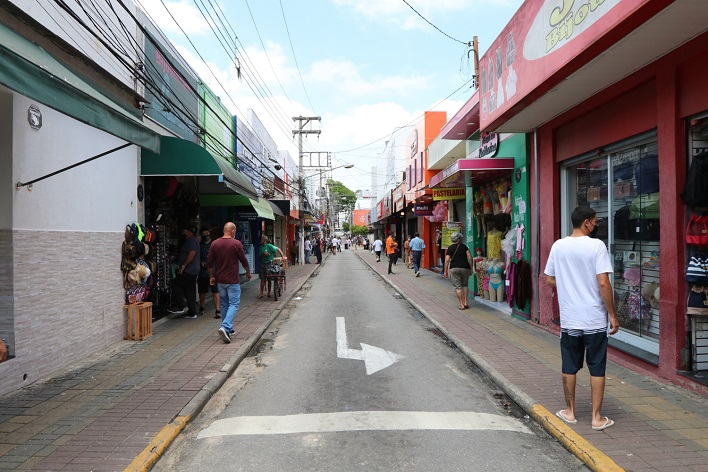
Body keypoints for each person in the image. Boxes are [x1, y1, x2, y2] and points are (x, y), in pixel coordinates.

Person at [544, 206, 619, 431]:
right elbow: (604, 283)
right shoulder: (597, 246)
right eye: (595, 222)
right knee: (597, 367)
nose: (597, 226)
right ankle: (596, 418)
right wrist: (613, 315)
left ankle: (570, 412)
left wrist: (568, 284)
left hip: (570, 319)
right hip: (594, 320)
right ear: (587, 222)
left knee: (569, 365)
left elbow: (549, 279)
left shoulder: (558, 246)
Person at [208, 222, 251, 344]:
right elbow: (243, 260)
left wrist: (211, 277)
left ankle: (228, 329)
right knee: (234, 304)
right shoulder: (236, 243)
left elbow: (210, 263)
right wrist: (248, 272)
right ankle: (225, 326)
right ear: (232, 231)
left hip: (220, 280)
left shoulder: (214, 243)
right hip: (232, 280)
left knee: (224, 304)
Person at [168, 225, 200, 318]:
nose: (183, 233)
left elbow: (192, 253)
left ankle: (178, 306)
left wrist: (183, 266)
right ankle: (192, 311)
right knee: (190, 290)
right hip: (193, 270)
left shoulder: (191, 240)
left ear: (188, 231)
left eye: (184, 231)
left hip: (188, 270)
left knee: (176, 283)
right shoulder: (192, 240)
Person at [444, 232, 474, 310]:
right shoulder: (464, 247)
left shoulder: (450, 248)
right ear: (459, 239)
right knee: (465, 285)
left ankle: (461, 304)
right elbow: (470, 258)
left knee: (458, 287)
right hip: (465, 268)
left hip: (454, 268)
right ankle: (466, 302)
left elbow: (447, 260)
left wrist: (445, 270)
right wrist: (471, 268)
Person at [198, 227, 221, 318]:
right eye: (204, 234)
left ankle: (217, 310)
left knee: (215, 290)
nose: (206, 235)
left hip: (213, 271)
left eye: (207, 233)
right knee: (202, 291)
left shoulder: (214, 244)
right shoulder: (200, 245)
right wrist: (201, 262)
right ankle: (201, 307)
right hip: (202, 271)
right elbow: (197, 257)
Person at [258, 235, 286, 299]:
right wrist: (263, 254)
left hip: (269, 263)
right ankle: (261, 293)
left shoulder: (269, 246)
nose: (261, 240)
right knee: (262, 279)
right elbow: (260, 255)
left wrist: (282, 256)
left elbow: (278, 249)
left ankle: (269, 293)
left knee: (269, 279)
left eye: (261, 239)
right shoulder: (261, 247)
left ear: (264, 240)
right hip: (262, 264)